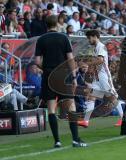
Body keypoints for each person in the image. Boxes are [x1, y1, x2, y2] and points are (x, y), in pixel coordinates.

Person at [34, 15, 87, 148]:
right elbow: (70, 60)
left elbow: (37, 62)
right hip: (64, 75)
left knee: (51, 109)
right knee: (71, 107)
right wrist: (74, 78)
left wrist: (46, 68)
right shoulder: (64, 37)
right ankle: (75, 139)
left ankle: (57, 141)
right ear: (57, 24)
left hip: (48, 76)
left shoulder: (41, 39)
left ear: (46, 25)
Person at [77, 30, 123, 128]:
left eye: (89, 38)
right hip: (97, 77)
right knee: (90, 96)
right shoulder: (96, 48)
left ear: (95, 36)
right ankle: (85, 121)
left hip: (104, 77)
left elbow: (100, 60)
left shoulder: (100, 46)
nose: (88, 40)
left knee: (112, 97)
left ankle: (123, 118)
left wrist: (87, 63)